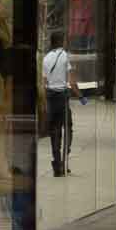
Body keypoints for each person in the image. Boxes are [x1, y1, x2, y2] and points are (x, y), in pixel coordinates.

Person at [41, 33, 77, 177]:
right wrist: (80, 96)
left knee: (54, 131)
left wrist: (44, 102)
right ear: (61, 41)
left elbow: (43, 83)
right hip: (62, 97)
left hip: (50, 96)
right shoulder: (64, 56)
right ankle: (64, 160)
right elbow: (71, 81)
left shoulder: (45, 58)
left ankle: (57, 163)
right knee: (68, 127)